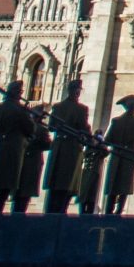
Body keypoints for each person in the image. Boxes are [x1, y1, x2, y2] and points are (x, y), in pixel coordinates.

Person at [0, 83, 36, 212]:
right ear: (18, 93)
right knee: (7, 183)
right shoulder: (20, 111)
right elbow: (30, 129)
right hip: (13, 149)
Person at [43, 81, 93, 214]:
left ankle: (52, 211)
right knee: (68, 183)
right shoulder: (81, 109)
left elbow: (51, 126)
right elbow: (84, 128)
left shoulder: (58, 107)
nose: (77, 93)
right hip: (71, 148)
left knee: (55, 184)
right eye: (77, 90)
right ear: (73, 91)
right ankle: (60, 211)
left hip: (58, 146)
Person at [101, 94, 134, 215]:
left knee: (113, 184)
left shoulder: (116, 121)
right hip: (129, 157)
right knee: (125, 185)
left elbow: (107, 140)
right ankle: (119, 210)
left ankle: (108, 211)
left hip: (116, 155)